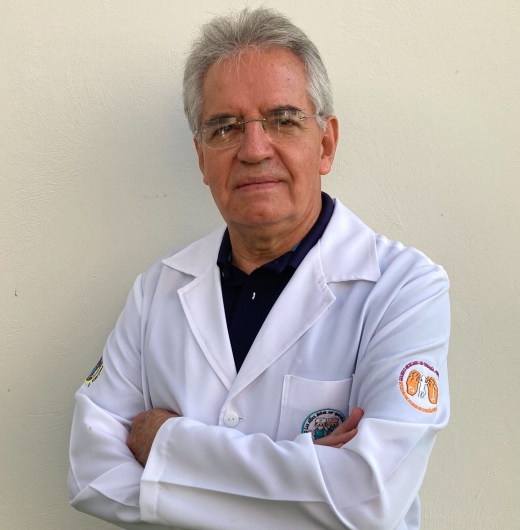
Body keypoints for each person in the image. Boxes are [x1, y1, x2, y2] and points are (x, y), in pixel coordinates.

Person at [68, 7, 450, 530]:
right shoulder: (158, 289)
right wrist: (308, 478)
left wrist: (163, 441)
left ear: (326, 145)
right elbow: (91, 473)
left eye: (283, 120)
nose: (253, 149)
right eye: (224, 128)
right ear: (201, 158)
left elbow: (369, 498)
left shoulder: (404, 289)